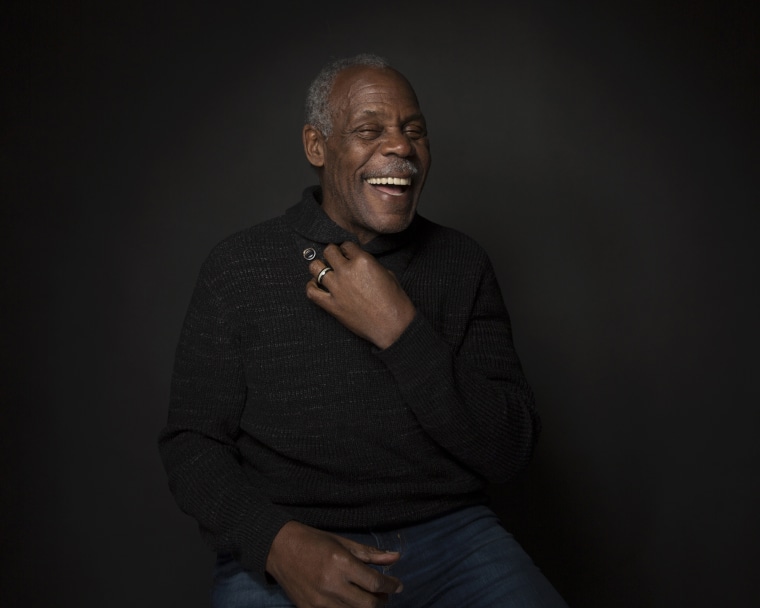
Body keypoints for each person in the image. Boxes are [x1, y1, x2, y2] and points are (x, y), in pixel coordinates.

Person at [158, 53, 568, 607]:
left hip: (453, 538)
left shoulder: (461, 263)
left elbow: (508, 450)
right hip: (296, 540)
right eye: (369, 130)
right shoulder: (239, 267)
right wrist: (278, 544)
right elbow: (192, 443)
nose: (401, 147)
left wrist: (400, 328)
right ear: (317, 147)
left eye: (413, 130)